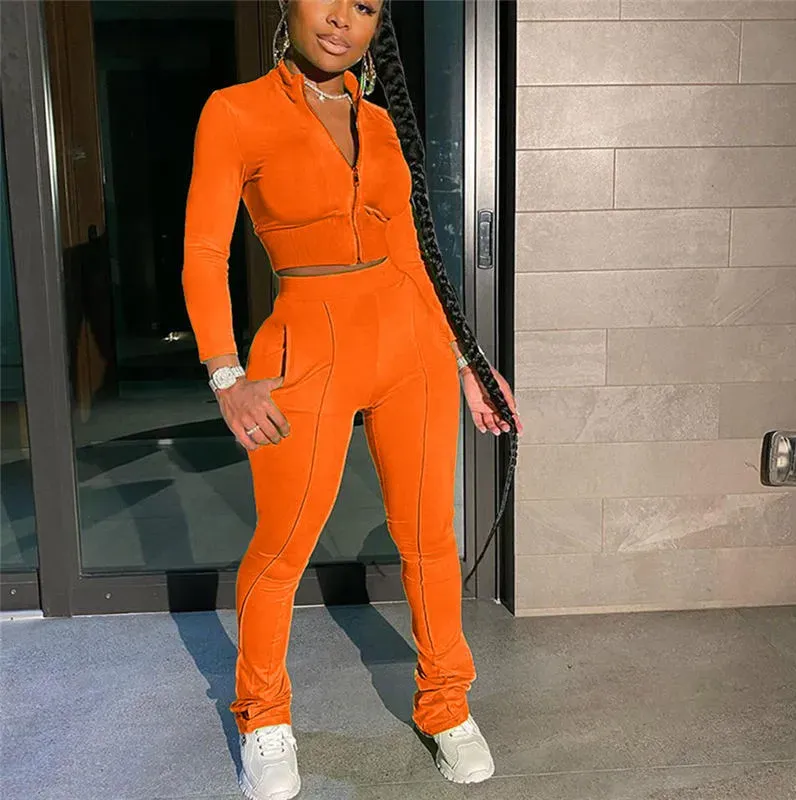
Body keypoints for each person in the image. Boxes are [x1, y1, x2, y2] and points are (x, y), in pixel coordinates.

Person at [182, 1, 522, 798]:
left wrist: (467, 358)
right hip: (304, 348)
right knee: (283, 545)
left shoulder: (380, 120)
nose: (342, 19)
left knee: (428, 538)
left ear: (377, 24)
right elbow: (203, 250)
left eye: (364, 5)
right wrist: (226, 374)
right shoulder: (235, 111)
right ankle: (263, 716)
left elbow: (410, 251)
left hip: (410, 346)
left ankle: (446, 705)